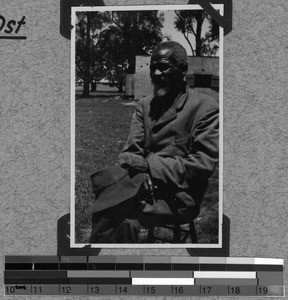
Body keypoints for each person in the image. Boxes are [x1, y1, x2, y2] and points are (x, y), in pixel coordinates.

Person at [89, 41, 219, 243]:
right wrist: (141, 173)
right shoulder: (145, 105)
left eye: (164, 66)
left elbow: (201, 166)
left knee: (115, 208)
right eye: (153, 67)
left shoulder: (205, 107)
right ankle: (106, 264)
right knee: (114, 208)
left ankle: (106, 265)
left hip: (179, 195)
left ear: (182, 70)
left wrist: (148, 167)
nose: (157, 73)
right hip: (140, 186)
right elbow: (129, 152)